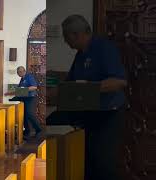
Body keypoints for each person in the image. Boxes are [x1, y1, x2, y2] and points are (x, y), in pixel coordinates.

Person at [46, 15, 127, 180]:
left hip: (107, 114)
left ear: (76, 34)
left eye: (66, 36)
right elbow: (70, 83)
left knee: (103, 163)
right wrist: (48, 93)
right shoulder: (81, 54)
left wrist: (86, 88)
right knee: (88, 162)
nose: (65, 41)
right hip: (89, 114)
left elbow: (119, 82)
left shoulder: (103, 48)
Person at [6, 66, 42, 139]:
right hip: (24, 99)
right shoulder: (22, 79)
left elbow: (34, 87)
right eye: (18, 72)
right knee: (24, 116)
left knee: (30, 114)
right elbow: (19, 90)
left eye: (20, 71)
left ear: (24, 71)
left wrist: (23, 90)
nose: (19, 73)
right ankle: (27, 132)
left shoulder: (29, 77)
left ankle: (39, 130)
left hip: (30, 98)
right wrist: (10, 94)